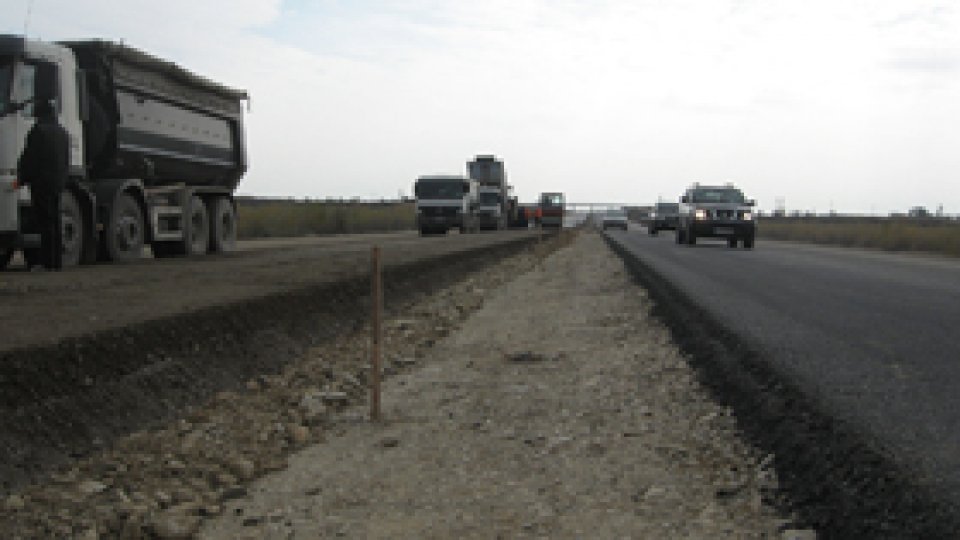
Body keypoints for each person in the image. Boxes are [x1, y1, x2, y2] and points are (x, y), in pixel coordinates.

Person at [17, 97, 69, 270]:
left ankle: (46, 262)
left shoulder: (38, 131)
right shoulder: (62, 132)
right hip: (58, 182)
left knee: (44, 223)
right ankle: (56, 263)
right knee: (55, 221)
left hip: (41, 183)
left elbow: (30, 159)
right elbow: (65, 161)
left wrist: (22, 178)